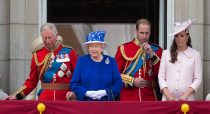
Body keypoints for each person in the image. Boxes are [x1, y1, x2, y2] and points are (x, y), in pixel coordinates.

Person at [5, 23, 78, 100]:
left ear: (56, 36)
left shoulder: (69, 52)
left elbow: (77, 77)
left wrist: (75, 93)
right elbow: (32, 81)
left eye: (50, 38)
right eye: (44, 38)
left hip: (65, 98)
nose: (47, 41)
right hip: (45, 99)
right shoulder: (37, 54)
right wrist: (17, 96)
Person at [115, 19, 163, 101]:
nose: (144, 36)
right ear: (136, 31)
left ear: (150, 32)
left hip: (149, 97)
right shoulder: (123, 48)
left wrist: (152, 55)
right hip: (128, 97)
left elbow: (161, 74)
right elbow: (115, 75)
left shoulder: (157, 50)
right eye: (141, 33)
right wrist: (132, 81)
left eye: (147, 33)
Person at [70, 31, 122, 101]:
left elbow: (118, 84)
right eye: (91, 46)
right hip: (86, 103)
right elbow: (74, 84)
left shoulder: (111, 61)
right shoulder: (82, 61)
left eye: (96, 46)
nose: (93, 49)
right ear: (88, 48)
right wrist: (86, 93)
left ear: (102, 48)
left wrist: (105, 92)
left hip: (106, 104)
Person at [158, 19, 202, 101]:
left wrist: (185, 95)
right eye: (176, 36)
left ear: (187, 37)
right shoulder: (166, 53)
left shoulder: (195, 54)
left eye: (182, 35)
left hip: (187, 99)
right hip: (168, 100)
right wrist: (168, 96)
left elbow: (197, 79)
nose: (179, 39)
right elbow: (161, 76)